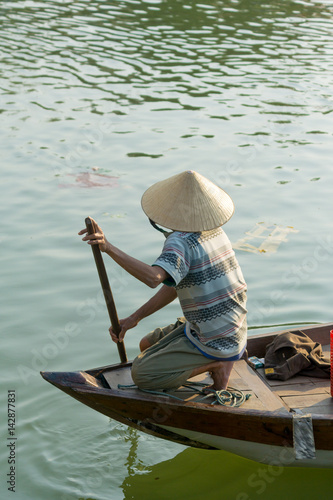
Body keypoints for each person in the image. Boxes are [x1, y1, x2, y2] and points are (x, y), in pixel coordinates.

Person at [79, 170, 247, 392]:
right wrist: (133, 318)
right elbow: (176, 286)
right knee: (146, 345)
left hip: (216, 338)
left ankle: (217, 363)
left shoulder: (180, 241)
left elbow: (153, 277)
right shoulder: (214, 230)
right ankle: (218, 361)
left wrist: (107, 247)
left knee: (142, 375)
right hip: (233, 328)